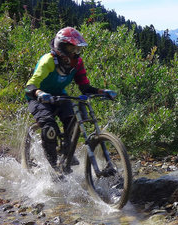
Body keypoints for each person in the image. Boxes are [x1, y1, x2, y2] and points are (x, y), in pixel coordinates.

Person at [24, 26, 114, 170]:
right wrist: (39, 93)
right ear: (61, 48)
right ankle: (54, 169)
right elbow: (30, 85)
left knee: (72, 121)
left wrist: (103, 91)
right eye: (71, 49)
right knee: (49, 129)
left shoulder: (77, 63)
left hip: (60, 95)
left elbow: (84, 87)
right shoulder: (48, 61)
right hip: (37, 97)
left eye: (77, 49)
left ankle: (67, 151)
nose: (75, 53)